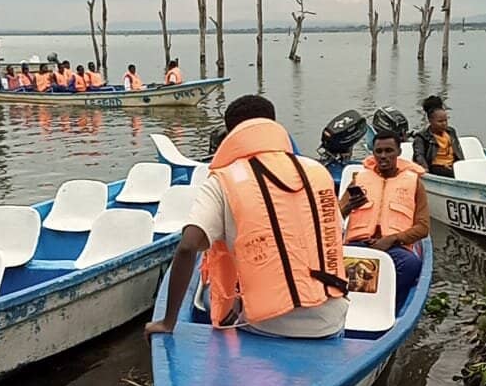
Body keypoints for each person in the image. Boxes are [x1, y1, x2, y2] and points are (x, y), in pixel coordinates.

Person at [146, 94, 348, 340]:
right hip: (329, 322)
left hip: (266, 326)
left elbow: (188, 246)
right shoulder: (318, 171)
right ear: (273, 124)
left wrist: (168, 322)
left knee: (210, 291)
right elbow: (336, 233)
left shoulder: (223, 180)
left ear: (230, 134)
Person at [340, 131, 429, 308]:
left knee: (411, 265)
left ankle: (388, 306)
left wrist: (393, 239)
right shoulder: (359, 179)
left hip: (395, 248)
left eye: (389, 151)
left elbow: (423, 227)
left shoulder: (414, 183)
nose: (383, 156)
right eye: (378, 151)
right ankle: (351, 306)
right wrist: (349, 207)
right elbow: (334, 215)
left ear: (398, 152)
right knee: (331, 262)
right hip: (358, 245)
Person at [413, 96, 464, 176]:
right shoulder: (422, 137)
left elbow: (458, 151)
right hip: (436, 167)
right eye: (440, 121)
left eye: (445, 120)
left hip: (453, 165)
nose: (444, 123)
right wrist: (425, 168)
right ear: (430, 120)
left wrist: (462, 164)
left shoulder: (451, 132)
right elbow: (419, 156)